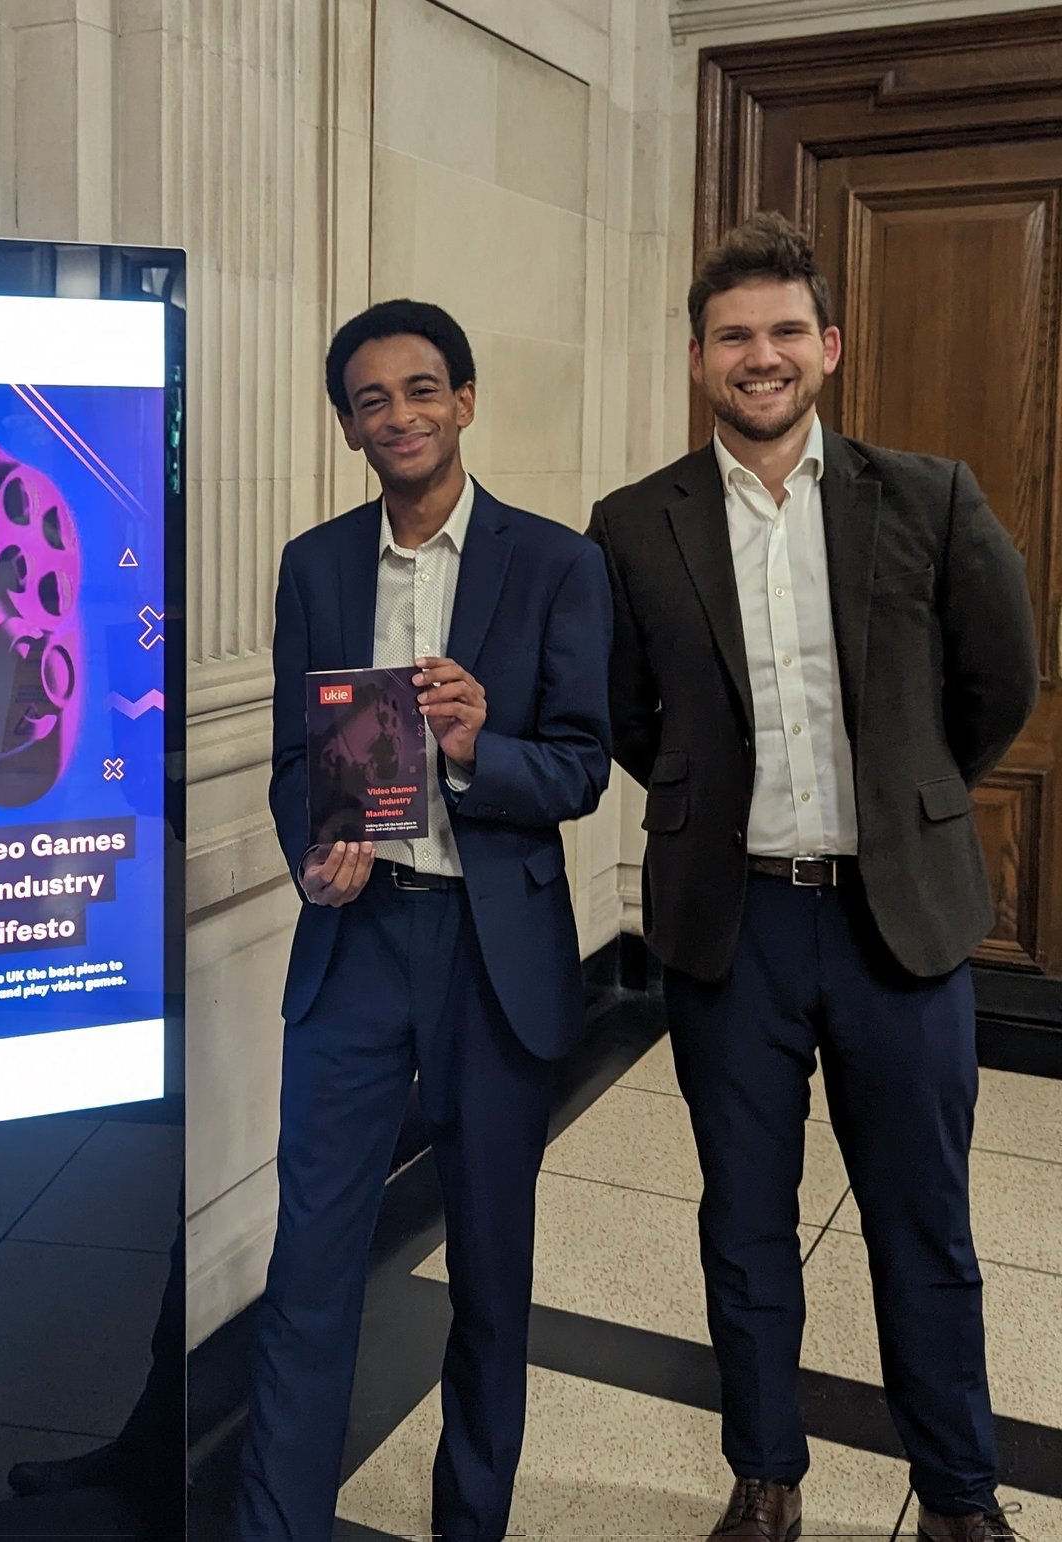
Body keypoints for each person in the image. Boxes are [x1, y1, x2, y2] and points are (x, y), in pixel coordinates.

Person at [588, 212, 1037, 1542]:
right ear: (698, 359)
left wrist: (908, 804)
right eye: (736, 335)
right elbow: (628, 714)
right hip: (733, 930)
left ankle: (959, 1495)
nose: (762, 355)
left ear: (828, 348)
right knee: (745, 1222)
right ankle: (764, 1475)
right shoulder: (632, 523)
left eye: (787, 331)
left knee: (925, 1222)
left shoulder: (930, 494)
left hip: (895, 924)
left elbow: (994, 682)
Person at [239, 299, 612, 1542]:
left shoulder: (556, 562)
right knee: (309, 1265)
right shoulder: (315, 563)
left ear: (462, 400)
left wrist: (470, 748)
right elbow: (298, 762)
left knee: (489, 1275)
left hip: (488, 955)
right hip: (354, 946)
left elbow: (577, 767)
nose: (396, 415)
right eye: (369, 400)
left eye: (418, 390)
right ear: (347, 426)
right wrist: (313, 852)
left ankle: (469, 1524)